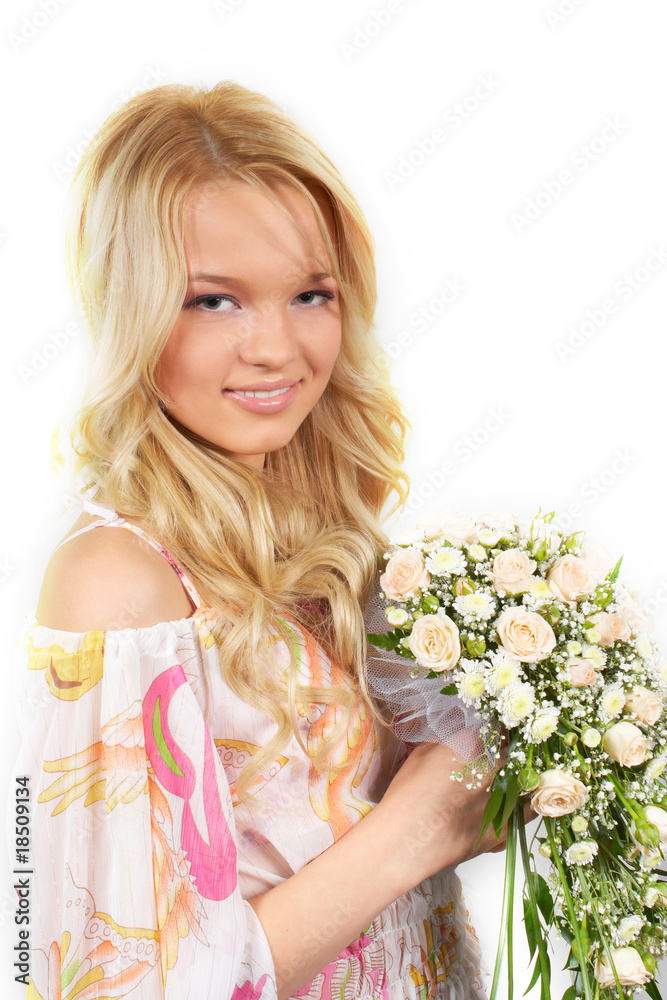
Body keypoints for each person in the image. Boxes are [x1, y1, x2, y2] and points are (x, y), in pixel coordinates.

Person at [12, 80, 508, 1000]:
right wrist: (419, 828)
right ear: (132, 309)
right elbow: (124, 988)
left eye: (309, 294)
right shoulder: (122, 586)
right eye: (214, 302)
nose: (276, 348)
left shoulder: (324, 534)